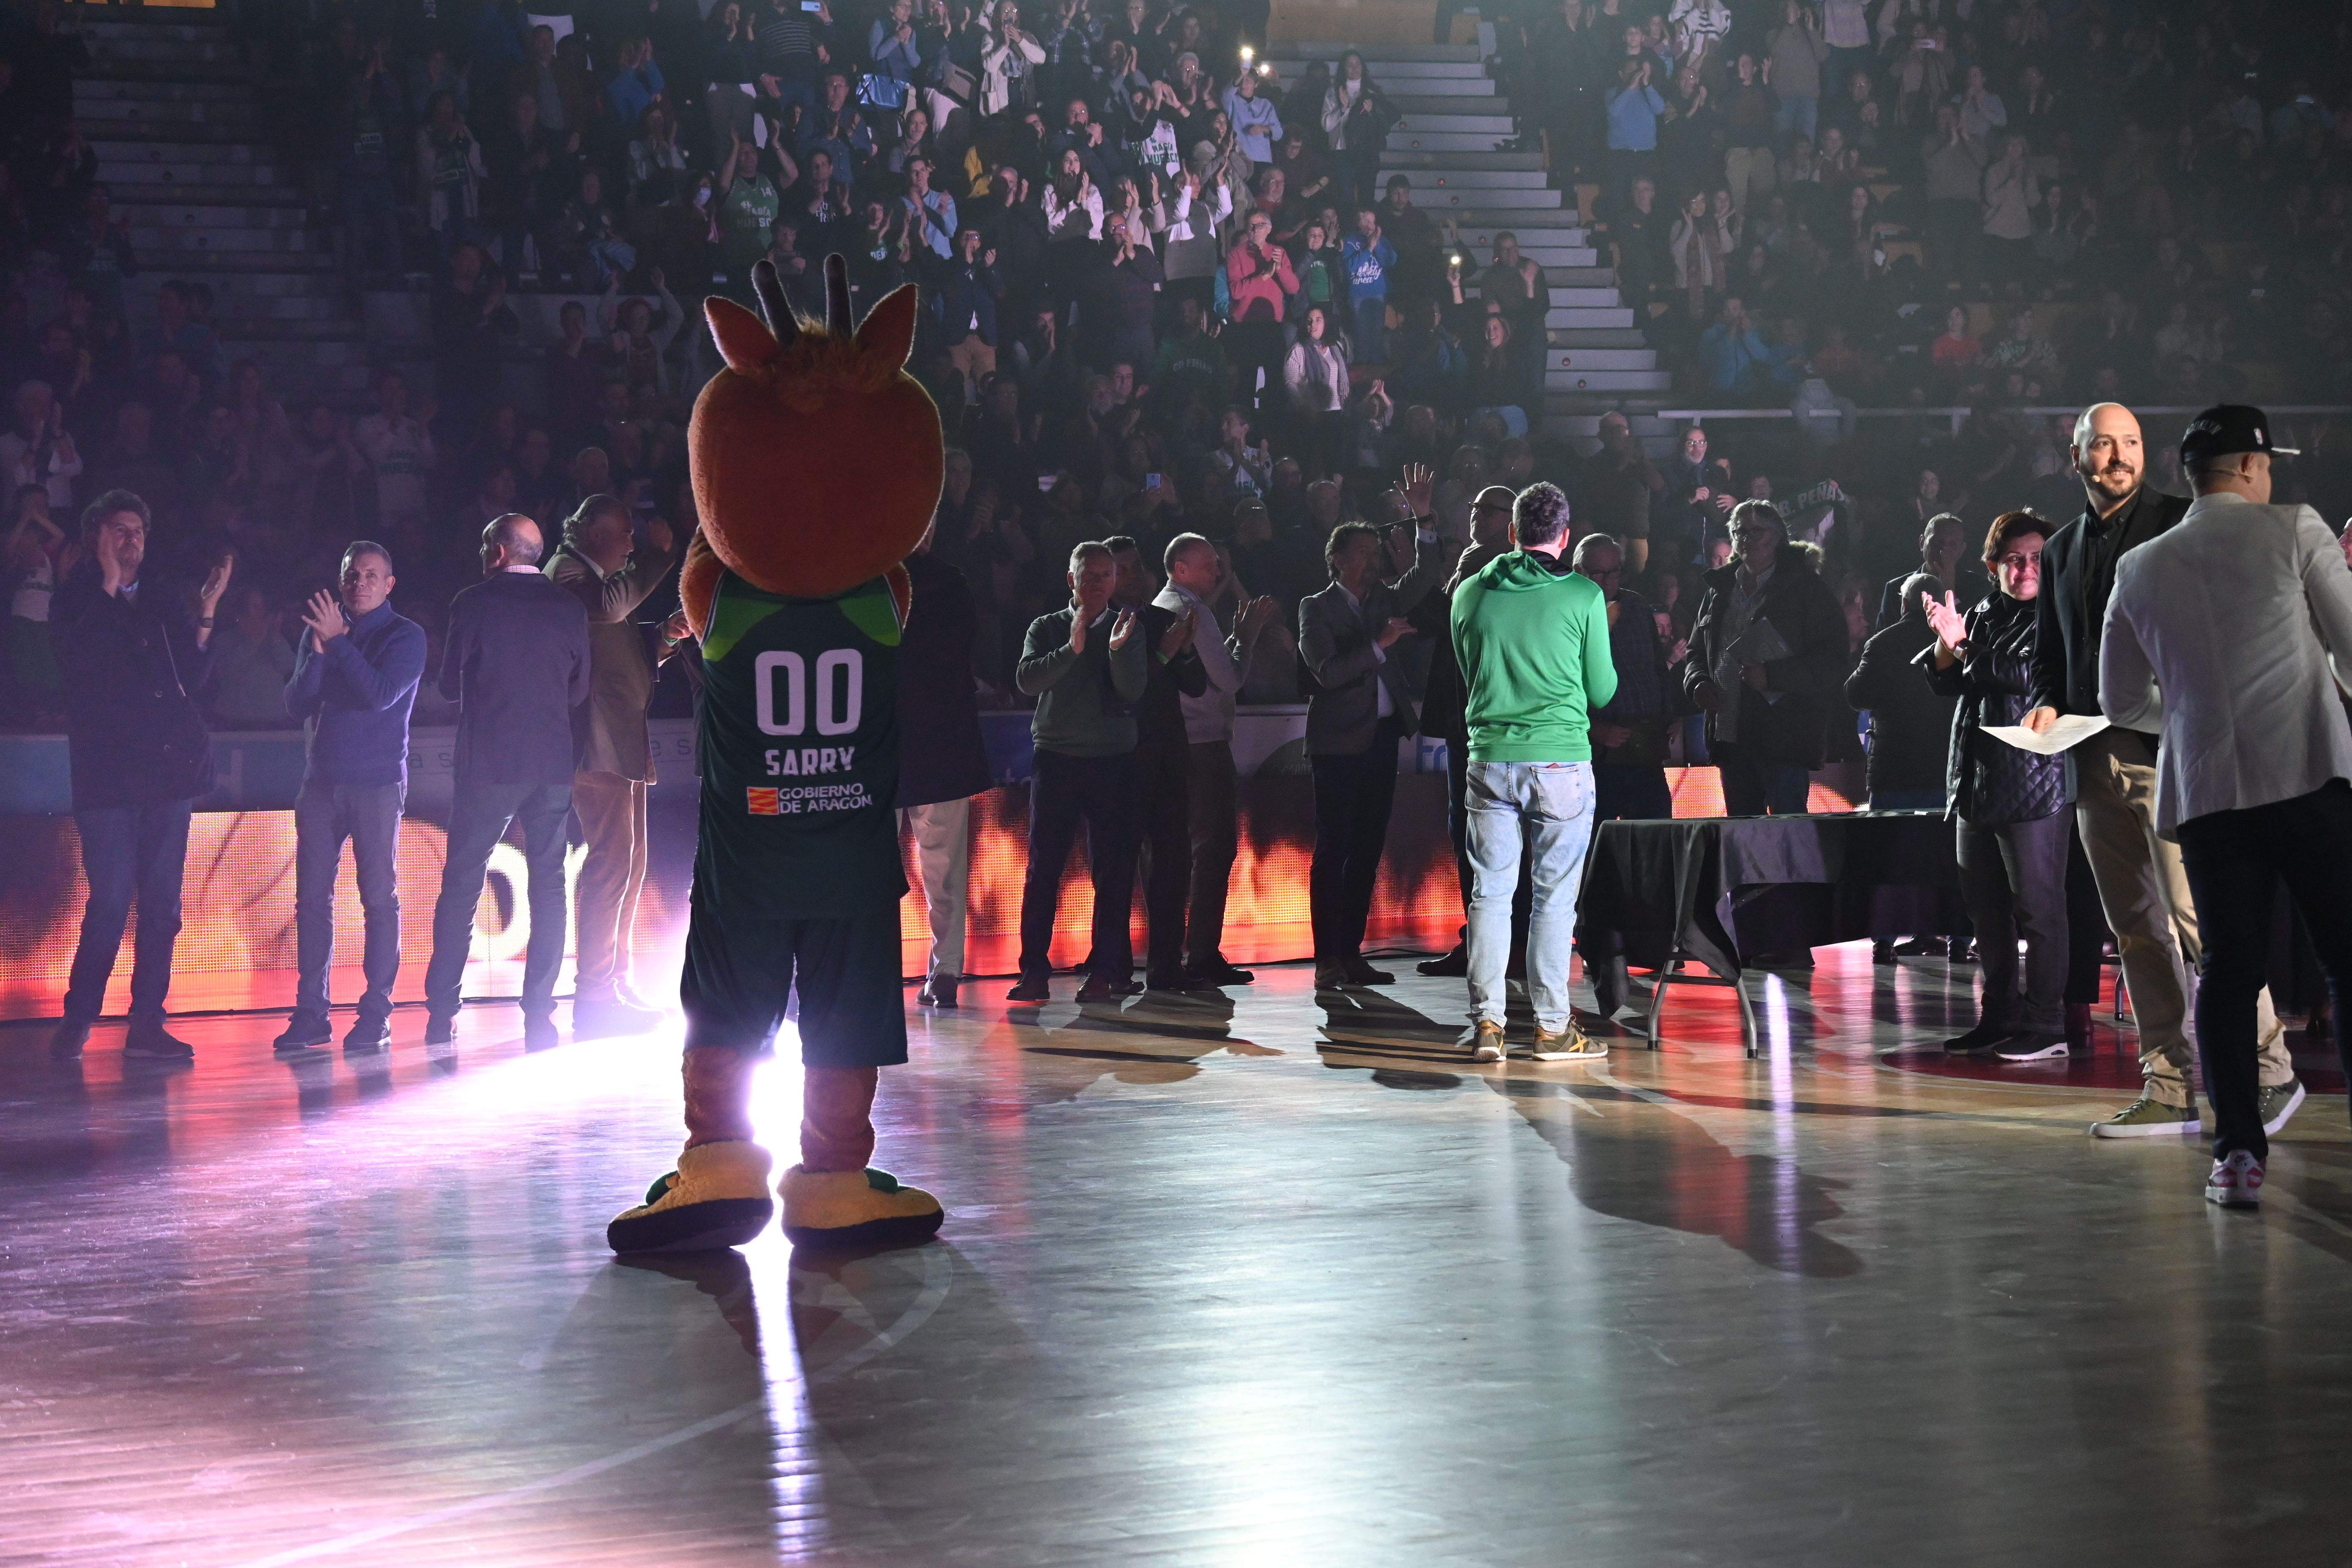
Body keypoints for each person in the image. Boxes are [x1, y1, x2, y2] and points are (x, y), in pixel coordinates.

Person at [2023, 403, 2299, 1138]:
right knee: (2135, 929)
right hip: (2088, 758)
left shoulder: (2185, 522)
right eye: (2103, 445)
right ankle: (2168, 1081)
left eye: (2131, 443)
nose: (2118, 456)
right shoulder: (2058, 550)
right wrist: (2044, 706)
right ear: (2074, 456)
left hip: (2171, 751)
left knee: (2199, 920)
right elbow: (2049, 660)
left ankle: (2271, 1070)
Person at [2099, 404, 2341, 1206]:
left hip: (2206, 792)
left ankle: (2236, 1153)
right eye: (2266, 464)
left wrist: (2197, 693)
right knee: (2345, 957)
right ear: (2247, 465)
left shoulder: (2138, 566)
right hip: (2306, 773)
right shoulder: (2294, 529)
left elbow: (2119, 700)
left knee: (2229, 972)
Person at [47, 491, 232, 1061]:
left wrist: (207, 610)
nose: (130, 542)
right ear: (95, 538)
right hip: (106, 777)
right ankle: (78, 1020)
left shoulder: (161, 598)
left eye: (138, 533)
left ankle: (147, 1024)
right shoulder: (75, 598)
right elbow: (81, 664)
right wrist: (102, 580)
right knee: (109, 902)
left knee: (162, 907)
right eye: (119, 531)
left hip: (164, 774)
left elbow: (193, 678)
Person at [1450, 482, 1616, 1062]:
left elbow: (1466, 671)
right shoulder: (1583, 596)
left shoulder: (1470, 593)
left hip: (1489, 757)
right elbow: (1604, 690)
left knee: (1490, 896)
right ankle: (1551, 1028)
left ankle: (1488, 1027)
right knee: (1553, 900)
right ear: (1565, 537)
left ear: (1515, 532)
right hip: (1560, 762)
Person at [424, 514, 590, 1051]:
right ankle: (540, 1015)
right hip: (551, 763)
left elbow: (449, 684)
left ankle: (442, 1012)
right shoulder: (569, 608)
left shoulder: (473, 602)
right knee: (549, 886)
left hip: (488, 763)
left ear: (497, 551)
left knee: (463, 885)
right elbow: (579, 687)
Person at [1920, 514, 2071, 1060]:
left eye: (2035, 557)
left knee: (2039, 907)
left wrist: (1961, 649)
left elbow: (2023, 675)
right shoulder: (1983, 612)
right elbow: (1944, 680)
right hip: (1977, 781)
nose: (2026, 568)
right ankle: (2000, 1015)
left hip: (2034, 782)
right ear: (1993, 566)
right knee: (1985, 910)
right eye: (2014, 559)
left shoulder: (2059, 614)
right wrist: (1945, 641)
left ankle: (2048, 1023)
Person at [274, 542, 426, 1056]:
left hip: (378, 784)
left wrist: (337, 643)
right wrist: (318, 653)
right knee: (312, 902)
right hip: (321, 783)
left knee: (378, 900)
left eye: (371, 575)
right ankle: (311, 1013)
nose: (359, 582)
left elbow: (378, 694)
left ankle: (376, 1014)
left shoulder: (406, 636)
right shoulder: (321, 631)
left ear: (389, 584)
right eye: (352, 574)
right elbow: (297, 702)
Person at [1297, 466, 1445, 988]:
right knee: (1334, 848)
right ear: (1338, 560)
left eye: (1376, 554)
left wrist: (1423, 516)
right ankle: (1325, 959)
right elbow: (1328, 672)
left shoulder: (1385, 597)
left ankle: (1351, 952)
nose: (1374, 561)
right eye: (1364, 553)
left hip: (1382, 738)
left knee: (1367, 847)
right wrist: (1379, 644)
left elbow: (1427, 576)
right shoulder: (1315, 609)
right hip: (1338, 745)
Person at [546, 494, 678, 1038]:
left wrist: (666, 637)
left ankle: (613, 983)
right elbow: (610, 609)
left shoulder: (597, 579)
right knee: (610, 865)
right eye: (626, 534)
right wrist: (658, 556)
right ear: (598, 534)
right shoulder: (568, 574)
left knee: (629, 864)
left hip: (620, 738)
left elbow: (619, 640)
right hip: (595, 743)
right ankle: (595, 994)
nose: (632, 543)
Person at [1010, 542, 1149, 1004]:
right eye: (1087, 576)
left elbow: (1133, 690)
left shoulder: (1127, 626)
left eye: (1105, 577)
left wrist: (1117, 652)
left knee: (1113, 871)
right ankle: (1033, 970)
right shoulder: (1047, 626)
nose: (1096, 585)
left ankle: (1104, 972)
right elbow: (1027, 680)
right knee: (1043, 869)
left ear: (1115, 582)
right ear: (1070, 580)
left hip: (1113, 762)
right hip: (1058, 757)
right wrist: (1072, 647)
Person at [1156, 532, 1280, 986]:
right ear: (1180, 569)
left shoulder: (1163, 606)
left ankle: (1178, 952)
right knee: (1213, 849)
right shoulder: (1194, 611)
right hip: (1203, 744)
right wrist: (1245, 638)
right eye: (1208, 565)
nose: (1217, 573)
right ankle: (1202, 953)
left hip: (1173, 743)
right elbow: (1227, 679)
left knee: (1181, 852)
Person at [1682, 501, 1845, 817]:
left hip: (1783, 739)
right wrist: (1698, 683)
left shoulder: (1806, 588)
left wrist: (1774, 677)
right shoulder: (1719, 590)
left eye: (1758, 530)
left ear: (1779, 537)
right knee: (1743, 840)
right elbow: (1696, 652)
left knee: (1786, 837)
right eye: (1741, 531)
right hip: (1730, 736)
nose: (1748, 538)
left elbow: (1833, 660)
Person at [896, 522, 994, 1010]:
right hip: (938, 743)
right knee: (945, 869)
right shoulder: (950, 581)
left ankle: (883, 968)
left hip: (886, 744)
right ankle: (947, 971)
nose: (928, 530)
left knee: (878, 868)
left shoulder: (870, 579)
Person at [1107, 535, 1208, 991]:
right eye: (1119, 570)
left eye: (1134, 567)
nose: (1129, 577)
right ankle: (1114, 967)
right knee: (1118, 867)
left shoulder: (1163, 618)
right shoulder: (1097, 624)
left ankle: (1167, 965)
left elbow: (1197, 685)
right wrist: (1166, 651)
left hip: (1167, 756)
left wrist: (1183, 649)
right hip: (1119, 759)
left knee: (1172, 863)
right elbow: (1126, 688)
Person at [1845, 571, 1956, 812]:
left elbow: (1856, 696)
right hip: (1943, 768)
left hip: (1892, 769)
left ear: (1904, 603)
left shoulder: (1882, 643)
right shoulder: (1955, 642)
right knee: (1941, 844)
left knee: (1888, 843)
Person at [1876, 512, 1971, 629]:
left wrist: (1950, 590)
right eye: (1938, 543)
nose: (1944, 550)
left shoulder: (1976, 588)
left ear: (1962, 550)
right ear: (1923, 543)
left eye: (1953, 545)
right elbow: (1883, 637)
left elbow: (1971, 633)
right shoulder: (1895, 588)